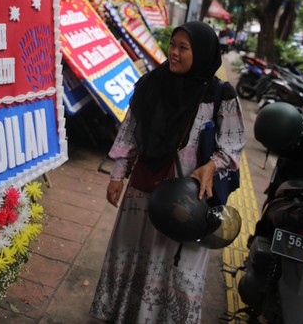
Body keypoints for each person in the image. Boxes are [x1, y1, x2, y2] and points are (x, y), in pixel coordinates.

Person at [90, 21, 246, 323]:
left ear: (200, 52)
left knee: (176, 267)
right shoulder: (150, 85)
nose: (173, 53)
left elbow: (233, 145)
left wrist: (212, 165)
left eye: (183, 48)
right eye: (172, 45)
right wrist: (116, 175)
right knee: (135, 254)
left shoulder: (220, 96)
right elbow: (130, 132)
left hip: (188, 203)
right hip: (143, 192)